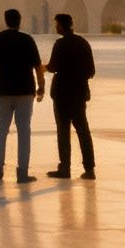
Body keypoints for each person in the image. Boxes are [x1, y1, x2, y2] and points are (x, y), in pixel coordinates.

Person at [0, 9, 45, 183]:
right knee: (24, 131)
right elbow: (38, 66)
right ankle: (22, 172)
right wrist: (41, 86)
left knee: (1, 130)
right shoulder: (27, 40)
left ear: (6, 20)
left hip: (4, 92)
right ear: (20, 21)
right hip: (25, 91)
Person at [44, 12, 96, 179]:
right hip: (79, 93)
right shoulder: (83, 43)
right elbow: (91, 71)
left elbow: (53, 67)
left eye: (57, 24)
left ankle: (65, 168)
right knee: (83, 130)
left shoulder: (60, 44)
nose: (56, 27)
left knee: (63, 131)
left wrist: (43, 68)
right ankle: (89, 169)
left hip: (62, 94)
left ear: (61, 26)